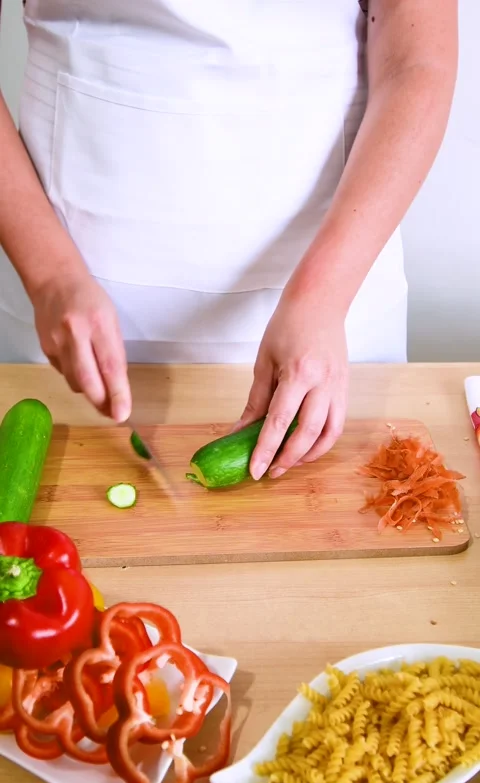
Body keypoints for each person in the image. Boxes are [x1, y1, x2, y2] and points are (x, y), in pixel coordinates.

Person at [0, 1, 458, 481]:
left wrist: (322, 296)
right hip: (62, 280)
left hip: (336, 294)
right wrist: (51, 275)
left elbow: (418, 62)